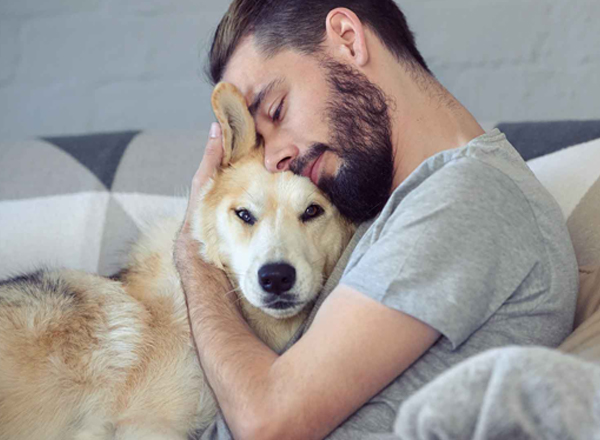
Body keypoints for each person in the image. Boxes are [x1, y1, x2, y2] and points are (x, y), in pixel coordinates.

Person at [173, 1, 579, 439]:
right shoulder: (387, 205)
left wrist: (192, 253)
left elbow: (267, 423)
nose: (275, 157)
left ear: (348, 38)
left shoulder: (467, 195)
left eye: (276, 109)